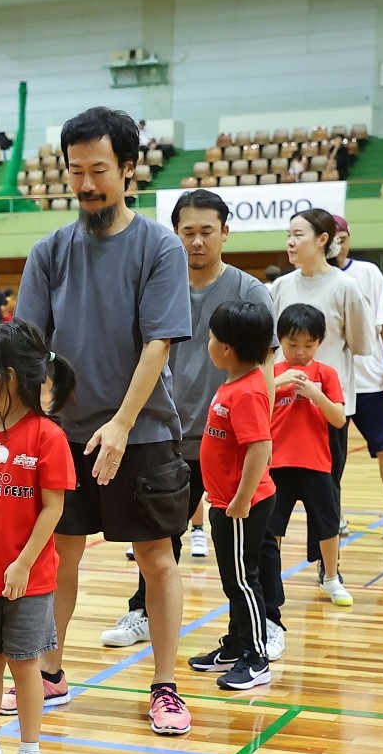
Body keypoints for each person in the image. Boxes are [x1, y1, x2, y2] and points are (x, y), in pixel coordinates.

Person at [16, 105, 194, 734]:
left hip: (142, 432)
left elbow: (159, 342)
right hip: (64, 434)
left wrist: (120, 424)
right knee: (57, 554)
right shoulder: (49, 252)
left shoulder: (159, 247)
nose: (86, 183)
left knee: (156, 556)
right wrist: (29, 419)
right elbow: (30, 345)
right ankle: (50, 673)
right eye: (76, 171)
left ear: (128, 169)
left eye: (99, 169)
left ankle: (165, 686)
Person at [100, 190, 271, 651]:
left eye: (206, 232)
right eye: (187, 232)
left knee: (248, 542)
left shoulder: (249, 292)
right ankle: (143, 612)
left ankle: (262, 625)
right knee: (157, 535)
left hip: (226, 441)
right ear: (174, 234)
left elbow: (267, 367)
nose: (197, 241)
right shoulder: (157, 284)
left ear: (225, 233)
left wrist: (260, 433)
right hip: (165, 435)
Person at [0, 321, 76, 754]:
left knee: (25, 664)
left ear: (9, 376)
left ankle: (31, 752)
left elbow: (53, 508)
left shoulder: (46, 435)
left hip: (28, 577)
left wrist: (22, 564)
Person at [268, 209, 376, 574]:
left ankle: (328, 568)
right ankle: (271, 573)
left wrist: (320, 384)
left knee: (326, 492)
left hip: (328, 407)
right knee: (277, 493)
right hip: (283, 408)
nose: (290, 242)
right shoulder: (281, 286)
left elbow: (361, 344)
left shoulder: (345, 287)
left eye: (298, 235)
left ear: (323, 239)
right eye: (288, 235)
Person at [185, 300, 277, 691]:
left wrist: (241, 499)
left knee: (242, 582)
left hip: (242, 507)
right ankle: (236, 645)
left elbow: (260, 447)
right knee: (233, 581)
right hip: (226, 502)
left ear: (227, 348)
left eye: (211, 338)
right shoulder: (233, 384)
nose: (207, 343)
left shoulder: (249, 392)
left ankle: (257, 657)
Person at [251, 304, 350, 663]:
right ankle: (271, 584)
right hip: (277, 464)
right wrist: (275, 385)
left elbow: (339, 418)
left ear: (320, 342)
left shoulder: (326, 374)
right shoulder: (269, 374)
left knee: (327, 524)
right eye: (293, 345)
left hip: (317, 463)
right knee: (271, 530)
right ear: (280, 341)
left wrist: (315, 394)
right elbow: (254, 409)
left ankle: (331, 578)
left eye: (309, 345)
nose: (300, 352)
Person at [333, 216, 383, 544]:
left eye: (344, 237)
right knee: (330, 457)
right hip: (330, 386)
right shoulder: (311, 278)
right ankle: (335, 514)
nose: (339, 244)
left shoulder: (368, 273)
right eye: (334, 238)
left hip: (369, 380)